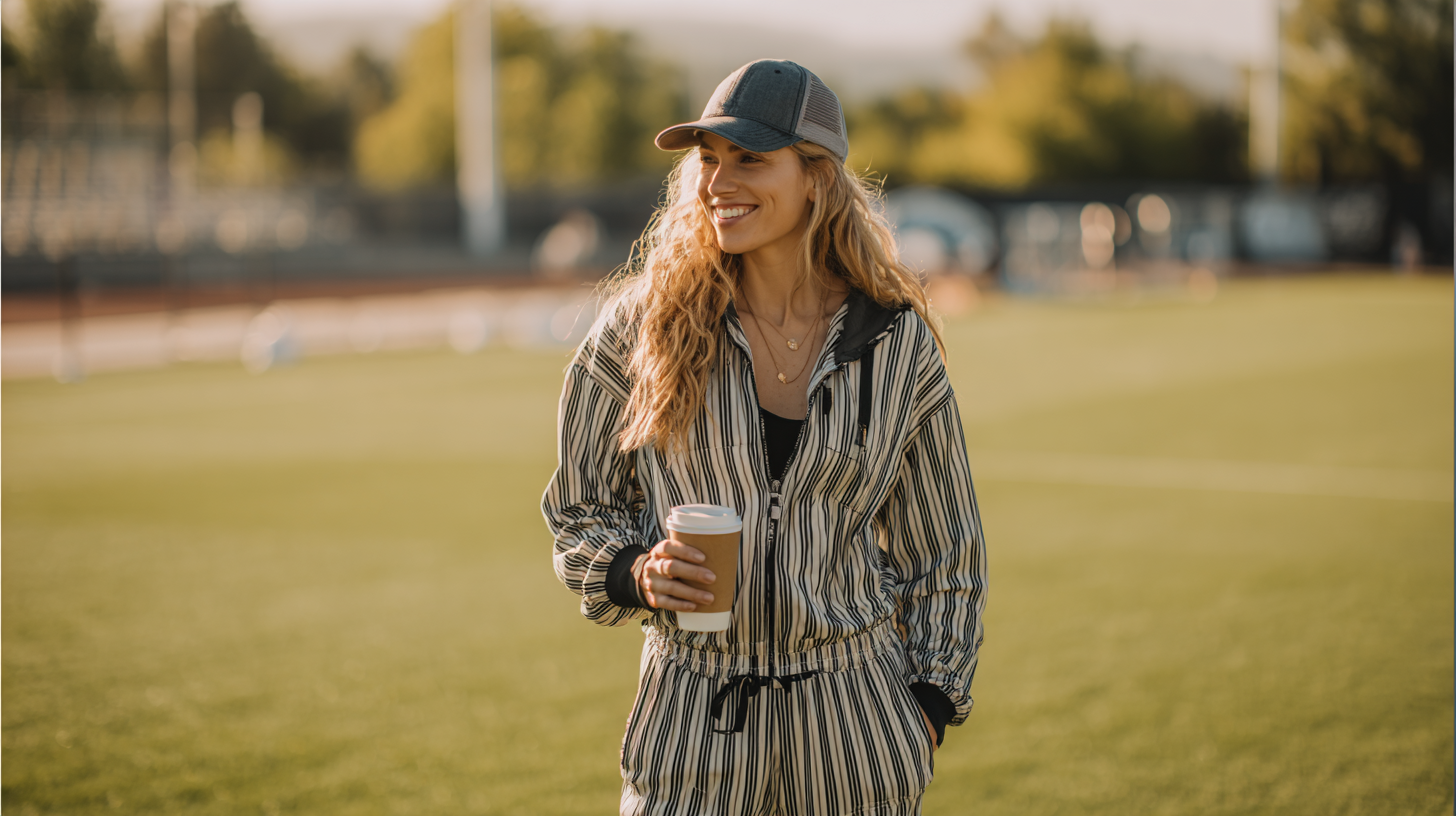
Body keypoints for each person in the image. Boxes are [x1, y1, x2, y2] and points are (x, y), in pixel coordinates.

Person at [542, 59, 987, 816]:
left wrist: (925, 709)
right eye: (708, 160)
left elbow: (944, 548)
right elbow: (579, 511)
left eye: (750, 158)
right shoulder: (642, 328)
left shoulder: (894, 341)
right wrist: (635, 573)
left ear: (815, 176)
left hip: (854, 725)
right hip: (693, 719)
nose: (718, 182)